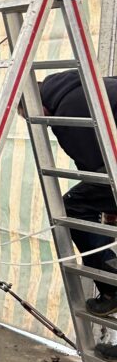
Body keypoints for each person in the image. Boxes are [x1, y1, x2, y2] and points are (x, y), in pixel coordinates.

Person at [30, 70, 117, 319]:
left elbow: (93, 168)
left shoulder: (66, 112)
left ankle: (112, 285)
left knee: (72, 208)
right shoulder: (89, 83)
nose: (44, 126)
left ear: (38, 107)